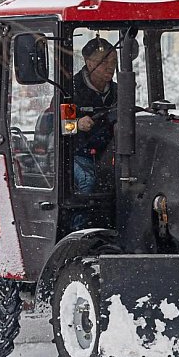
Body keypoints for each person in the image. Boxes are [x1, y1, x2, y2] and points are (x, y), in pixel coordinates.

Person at [70, 36, 118, 229]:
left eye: (113, 61)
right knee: (88, 182)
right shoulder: (70, 88)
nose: (110, 67)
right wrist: (76, 124)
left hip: (110, 154)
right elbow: (51, 122)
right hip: (75, 153)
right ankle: (78, 234)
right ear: (88, 62)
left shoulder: (118, 90)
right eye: (104, 61)